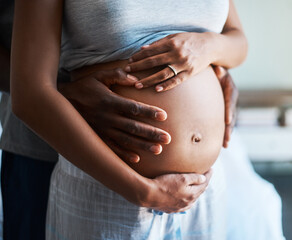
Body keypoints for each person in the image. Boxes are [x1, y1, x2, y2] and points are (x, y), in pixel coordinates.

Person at [0, 1, 240, 239]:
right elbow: (31, 92)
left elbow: (237, 38)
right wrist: (143, 192)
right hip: (107, 182)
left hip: (202, 190)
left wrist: (210, 46)